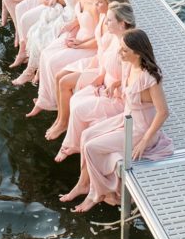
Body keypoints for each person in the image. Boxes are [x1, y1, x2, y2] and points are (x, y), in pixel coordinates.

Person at [60, 28, 173, 213]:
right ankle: (83, 184)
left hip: (140, 130)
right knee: (86, 135)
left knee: (91, 147)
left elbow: (163, 112)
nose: (120, 52)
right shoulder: (129, 66)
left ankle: (97, 193)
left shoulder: (151, 79)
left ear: (137, 53)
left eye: (124, 50)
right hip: (126, 118)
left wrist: (145, 140)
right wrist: (118, 83)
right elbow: (130, 85)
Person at [43, 0, 129, 142]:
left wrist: (102, 76)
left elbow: (114, 58)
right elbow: (97, 41)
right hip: (97, 61)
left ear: (110, 4)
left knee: (64, 82)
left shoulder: (115, 29)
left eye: (101, 2)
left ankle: (63, 123)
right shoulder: (104, 17)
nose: (97, 5)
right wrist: (79, 43)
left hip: (102, 67)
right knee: (59, 76)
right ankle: (60, 117)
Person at [54, 1, 136, 160]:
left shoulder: (127, 48)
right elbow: (106, 58)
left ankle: (71, 146)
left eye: (110, 20)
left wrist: (116, 84)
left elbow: (131, 78)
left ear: (122, 23)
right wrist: (101, 76)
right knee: (76, 99)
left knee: (78, 109)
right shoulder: (114, 38)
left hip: (118, 97)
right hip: (105, 84)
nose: (106, 22)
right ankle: (69, 134)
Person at [25, 0, 102, 118]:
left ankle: (53, 103)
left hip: (90, 46)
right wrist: (71, 26)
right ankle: (44, 100)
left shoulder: (96, 5)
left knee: (54, 62)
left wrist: (80, 45)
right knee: (46, 53)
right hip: (77, 37)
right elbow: (79, 17)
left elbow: (100, 37)